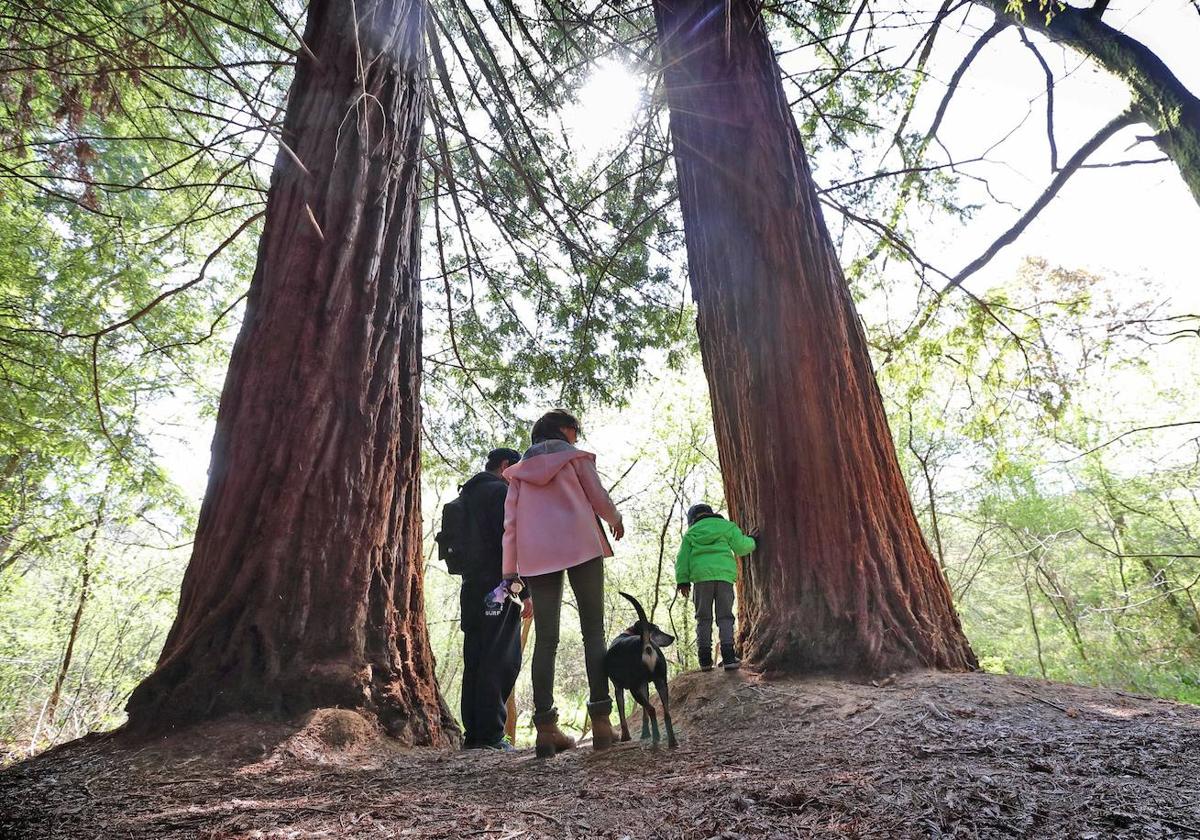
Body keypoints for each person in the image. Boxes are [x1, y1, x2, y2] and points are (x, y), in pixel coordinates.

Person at [500, 409, 625, 757]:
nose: (577, 436)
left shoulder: (519, 475)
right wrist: (614, 518)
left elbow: (510, 527)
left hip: (537, 556)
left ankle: (545, 729)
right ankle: (601, 721)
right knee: (594, 632)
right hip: (582, 545)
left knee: (547, 640)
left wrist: (510, 572)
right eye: (575, 430)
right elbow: (598, 496)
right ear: (563, 430)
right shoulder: (575, 459)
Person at [458, 447, 531, 751]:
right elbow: (510, 542)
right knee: (499, 658)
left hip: (471, 587)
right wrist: (526, 591)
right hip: (498, 589)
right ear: (505, 466)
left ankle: (474, 734)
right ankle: (490, 735)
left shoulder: (467, 494)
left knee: (476, 657)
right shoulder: (500, 493)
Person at [675, 503, 757, 672]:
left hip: (701, 580)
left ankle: (705, 660)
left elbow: (682, 559)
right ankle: (728, 657)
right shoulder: (726, 527)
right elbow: (742, 547)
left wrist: (682, 581)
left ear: (692, 520)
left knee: (703, 619)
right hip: (724, 578)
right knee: (725, 617)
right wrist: (753, 541)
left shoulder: (691, 533)